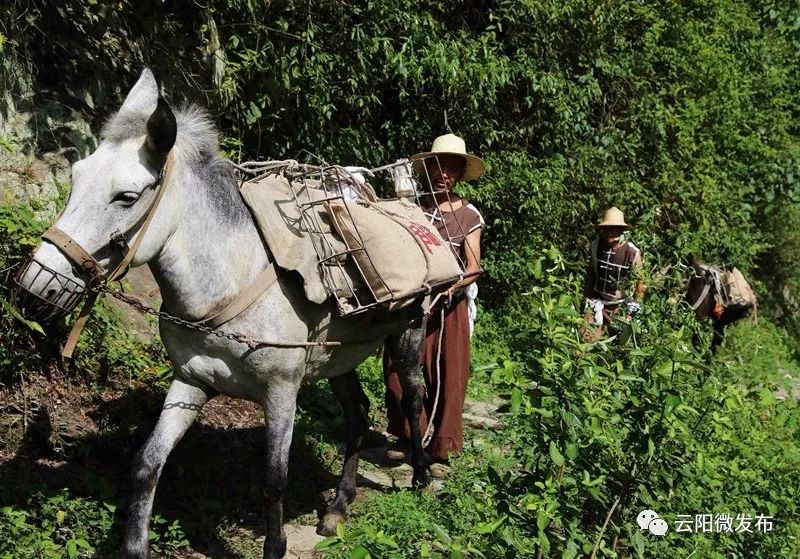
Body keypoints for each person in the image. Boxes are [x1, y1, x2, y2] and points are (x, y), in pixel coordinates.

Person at [383, 133, 484, 475]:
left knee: (447, 373)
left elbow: (472, 267)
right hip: (411, 304)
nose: (444, 174)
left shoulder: (469, 214)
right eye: (439, 165)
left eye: (452, 168)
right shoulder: (412, 207)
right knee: (397, 371)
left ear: (459, 173)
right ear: (428, 167)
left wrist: (448, 288)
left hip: (448, 304)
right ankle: (406, 435)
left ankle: (442, 448)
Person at [583, 207, 645, 340]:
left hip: (620, 306)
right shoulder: (595, 246)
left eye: (613, 228)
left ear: (621, 230)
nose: (609, 232)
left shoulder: (632, 253)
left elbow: (640, 284)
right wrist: (588, 304)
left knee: (620, 347)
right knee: (586, 340)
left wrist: (631, 312)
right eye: (606, 229)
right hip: (597, 303)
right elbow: (590, 275)